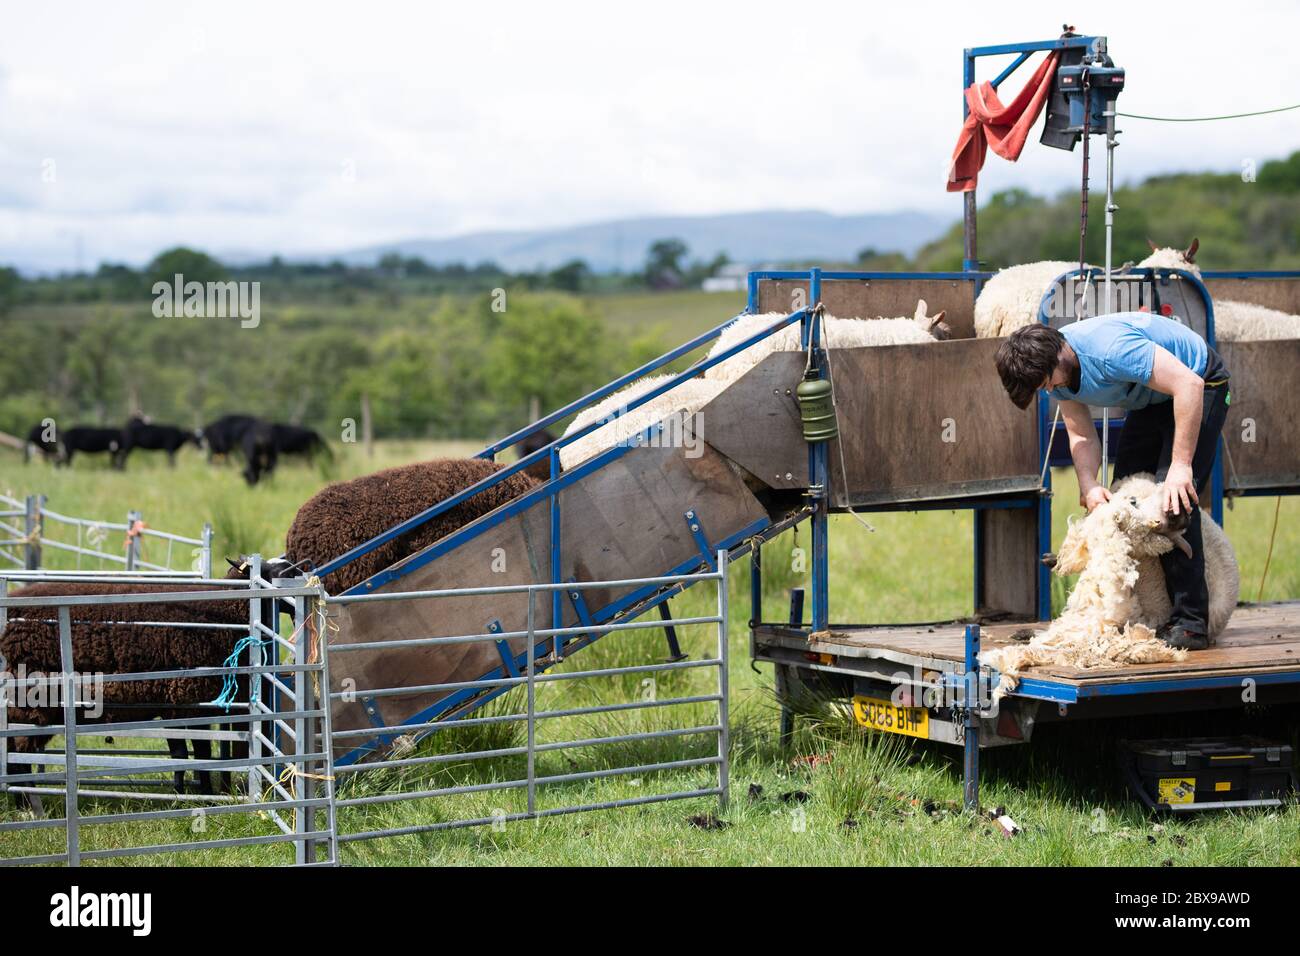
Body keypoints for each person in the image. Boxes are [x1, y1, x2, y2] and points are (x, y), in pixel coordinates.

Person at [994, 313, 1230, 650]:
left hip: (1201, 384)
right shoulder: (1056, 372)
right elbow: (1080, 433)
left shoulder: (1110, 350)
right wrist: (1089, 484)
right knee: (1122, 506)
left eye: (1045, 383)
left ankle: (1190, 623)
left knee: (1172, 501)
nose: (1048, 390)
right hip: (1153, 396)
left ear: (1059, 355)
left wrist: (1180, 466)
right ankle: (1135, 614)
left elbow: (1187, 384)